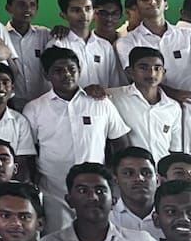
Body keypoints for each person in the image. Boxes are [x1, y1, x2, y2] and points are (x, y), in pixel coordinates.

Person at [22, 46, 128, 231]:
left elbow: (120, 142)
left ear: (79, 70)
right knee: (57, 240)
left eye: (71, 69)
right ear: (46, 75)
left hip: (96, 190)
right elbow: (28, 153)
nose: (67, 75)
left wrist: (112, 177)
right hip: (54, 192)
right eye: (58, 71)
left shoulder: (100, 102)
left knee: (100, 236)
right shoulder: (35, 108)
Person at [109, 46, 183, 162]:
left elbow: (175, 149)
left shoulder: (173, 107)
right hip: (129, 169)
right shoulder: (113, 97)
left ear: (163, 72)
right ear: (130, 72)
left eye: (157, 68)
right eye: (143, 68)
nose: (152, 73)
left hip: (161, 171)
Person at [55, 0, 125, 90]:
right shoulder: (58, 45)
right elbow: (56, 86)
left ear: (93, 12)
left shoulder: (105, 46)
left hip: (103, 100)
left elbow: (114, 85)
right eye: (76, 10)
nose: (83, 14)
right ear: (63, 15)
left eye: (88, 9)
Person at [3, 0, 52, 102]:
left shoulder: (45, 34)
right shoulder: (1, 36)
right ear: (8, 8)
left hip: (44, 103)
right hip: (12, 103)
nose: (28, 9)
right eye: (21, 4)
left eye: (32, 5)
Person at [111, 145, 162, 241]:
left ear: (157, 179)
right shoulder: (107, 220)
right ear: (116, 180)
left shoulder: (173, 216)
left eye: (146, 173)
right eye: (128, 173)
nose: (139, 178)